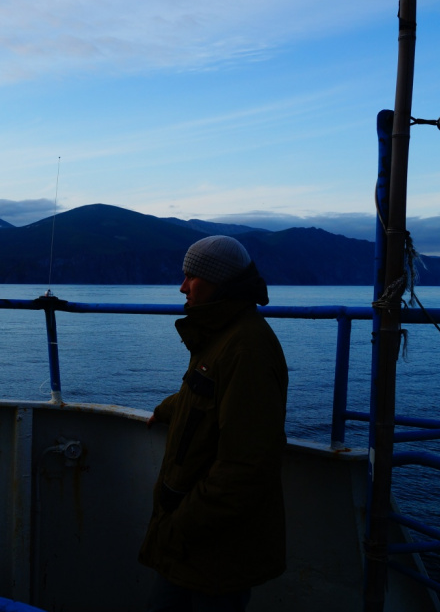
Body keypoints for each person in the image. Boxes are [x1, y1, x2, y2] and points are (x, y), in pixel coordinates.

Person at [139, 235, 288, 612]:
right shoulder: (222, 333)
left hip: (215, 545)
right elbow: (204, 395)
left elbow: (245, 466)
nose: (183, 287)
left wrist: (179, 526)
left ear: (219, 283)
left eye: (192, 277)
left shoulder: (246, 349)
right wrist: (167, 408)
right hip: (193, 540)